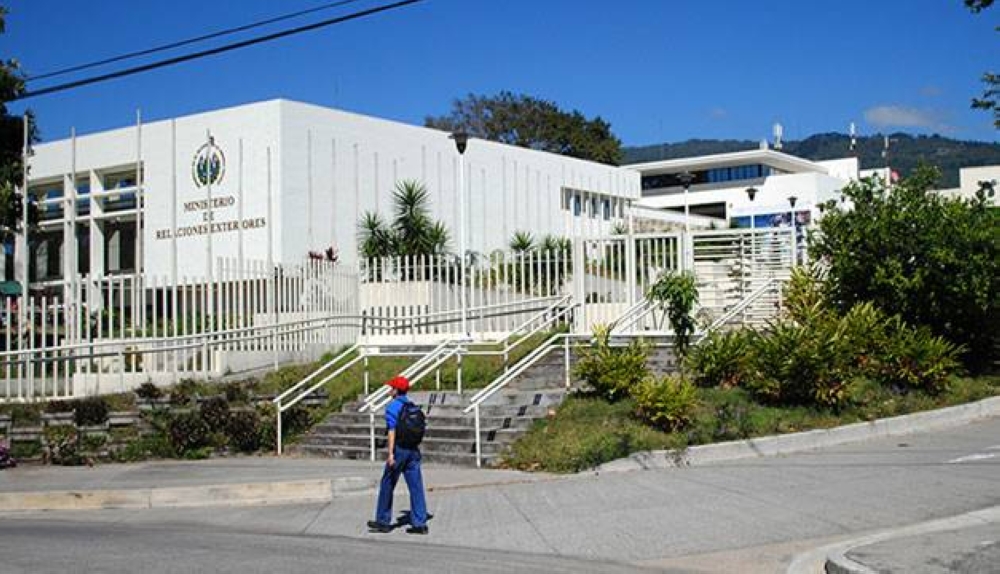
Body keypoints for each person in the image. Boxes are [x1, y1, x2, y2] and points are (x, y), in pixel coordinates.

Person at [367, 375, 429, 534]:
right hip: (413, 450)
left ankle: (383, 521)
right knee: (416, 487)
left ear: (396, 390)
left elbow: (392, 431)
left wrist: (390, 454)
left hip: (399, 450)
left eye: (391, 388)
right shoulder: (412, 406)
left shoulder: (393, 407)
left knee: (387, 483)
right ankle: (420, 524)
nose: (389, 390)